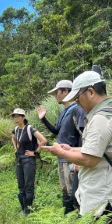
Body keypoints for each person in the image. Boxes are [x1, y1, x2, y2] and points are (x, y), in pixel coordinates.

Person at [41, 71, 112, 219]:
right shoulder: (109, 113)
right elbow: (100, 151)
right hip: (103, 195)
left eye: (78, 98)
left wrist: (61, 152)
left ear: (90, 92)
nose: (77, 103)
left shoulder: (100, 119)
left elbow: (90, 160)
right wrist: (71, 149)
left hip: (102, 198)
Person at [37, 80, 86, 214]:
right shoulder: (63, 111)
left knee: (73, 190)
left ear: (65, 91)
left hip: (72, 157)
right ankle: (67, 220)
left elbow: (83, 134)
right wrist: (43, 119)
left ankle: (77, 221)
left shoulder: (77, 110)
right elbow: (56, 131)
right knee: (64, 189)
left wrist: (79, 161)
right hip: (61, 156)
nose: (55, 96)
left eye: (56, 93)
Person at [11, 108, 47, 215]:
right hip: (19, 159)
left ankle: (28, 212)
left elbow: (44, 140)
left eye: (18, 116)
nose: (15, 118)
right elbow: (12, 137)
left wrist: (35, 153)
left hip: (28, 160)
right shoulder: (16, 129)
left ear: (23, 117)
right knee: (21, 186)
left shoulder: (30, 129)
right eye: (14, 116)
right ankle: (23, 210)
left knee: (28, 186)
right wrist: (15, 147)